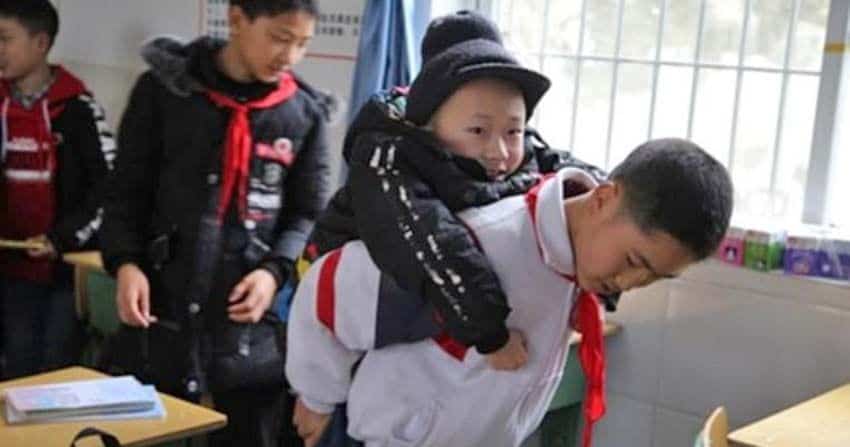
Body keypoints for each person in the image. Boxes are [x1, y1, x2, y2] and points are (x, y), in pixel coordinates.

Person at [288, 138, 734, 447]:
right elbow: (327, 290)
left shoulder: (570, 264)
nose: (630, 284)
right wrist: (316, 395)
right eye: (635, 261)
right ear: (603, 199)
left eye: (653, 278)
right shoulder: (480, 246)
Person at [297, 10, 609, 379]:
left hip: (421, 319)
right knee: (324, 399)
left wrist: (606, 264)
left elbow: (586, 184)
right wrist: (490, 335)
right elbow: (431, 244)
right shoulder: (388, 156)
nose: (499, 152)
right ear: (429, 120)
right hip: (330, 307)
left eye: (513, 131)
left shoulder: (513, 147)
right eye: (478, 130)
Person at [100, 0, 333, 445]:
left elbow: (307, 215)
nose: (290, 56)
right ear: (237, 19)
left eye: (303, 44)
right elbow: (125, 192)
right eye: (280, 38)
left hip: (246, 331)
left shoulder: (303, 114)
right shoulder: (165, 92)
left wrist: (274, 272)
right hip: (161, 311)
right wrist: (126, 263)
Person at [0, 0, 113, 379]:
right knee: (15, 368)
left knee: (52, 370)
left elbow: (108, 189)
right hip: (8, 268)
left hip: (60, 272)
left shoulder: (78, 108)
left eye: (5, 39)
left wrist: (60, 239)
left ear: (41, 43)